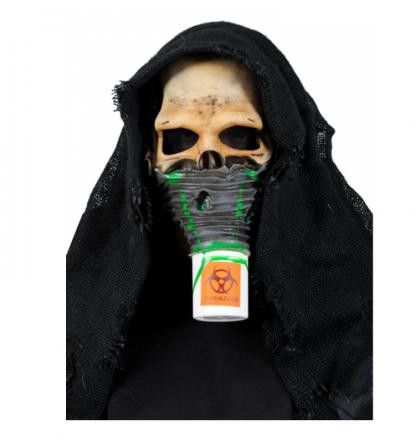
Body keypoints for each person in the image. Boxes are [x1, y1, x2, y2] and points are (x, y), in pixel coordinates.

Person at [67, 21, 373, 420]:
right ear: (148, 157)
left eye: (239, 136)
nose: (209, 165)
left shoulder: (351, 313)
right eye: (179, 139)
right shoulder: (89, 321)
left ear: (281, 151)